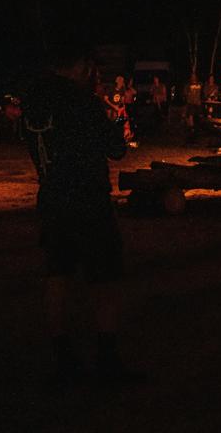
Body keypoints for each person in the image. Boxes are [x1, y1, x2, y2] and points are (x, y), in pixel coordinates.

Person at [22, 40, 137, 386]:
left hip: (52, 198)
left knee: (58, 275)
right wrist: (116, 123)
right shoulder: (80, 102)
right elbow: (116, 149)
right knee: (106, 277)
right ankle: (106, 357)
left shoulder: (35, 100)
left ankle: (64, 357)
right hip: (88, 201)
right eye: (89, 67)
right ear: (79, 66)